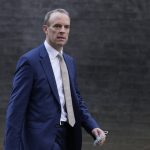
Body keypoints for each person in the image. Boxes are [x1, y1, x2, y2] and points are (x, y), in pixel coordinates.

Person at [4, 8, 107, 150]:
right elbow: (15, 109)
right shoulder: (30, 61)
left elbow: (75, 100)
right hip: (40, 139)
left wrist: (92, 126)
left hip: (69, 136)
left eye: (66, 27)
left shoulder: (70, 62)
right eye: (57, 26)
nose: (62, 30)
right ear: (46, 29)